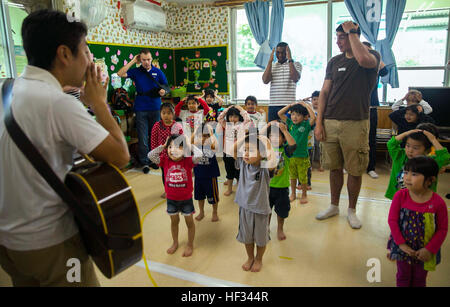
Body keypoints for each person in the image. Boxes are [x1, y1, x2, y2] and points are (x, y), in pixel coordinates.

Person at [0, 9, 130, 287]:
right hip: (52, 245)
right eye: (85, 50)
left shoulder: (10, 89)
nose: (90, 60)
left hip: (10, 245)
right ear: (64, 54)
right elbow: (121, 156)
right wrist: (99, 104)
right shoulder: (58, 103)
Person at [314, 21, 381, 229]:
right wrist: (319, 122)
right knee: (334, 167)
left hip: (356, 122)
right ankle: (334, 205)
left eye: (341, 37)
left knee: (354, 169)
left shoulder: (372, 56)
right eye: (337, 37)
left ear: (354, 35)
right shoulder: (334, 61)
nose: (338, 41)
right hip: (330, 120)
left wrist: (352, 32)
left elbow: (362, 58)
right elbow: (324, 92)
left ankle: (351, 210)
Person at [387, 156, 448, 287]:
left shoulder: (438, 202)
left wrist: (429, 249)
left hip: (424, 250)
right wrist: (401, 244)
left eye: (414, 174)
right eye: (406, 172)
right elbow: (392, 220)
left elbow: (442, 229)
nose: (407, 177)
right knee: (403, 276)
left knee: (420, 279)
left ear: (430, 180)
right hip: (403, 248)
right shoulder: (400, 196)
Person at [148, 134, 202, 257]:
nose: (174, 150)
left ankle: (190, 244)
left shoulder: (187, 161)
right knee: (174, 222)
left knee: (189, 223)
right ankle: (175, 242)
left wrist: (189, 145)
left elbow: (199, 155)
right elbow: (150, 155)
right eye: (171, 147)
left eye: (178, 147)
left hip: (186, 199)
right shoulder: (165, 161)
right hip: (171, 200)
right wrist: (163, 146)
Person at [117, 48, 168, 174]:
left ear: (151, 59)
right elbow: (120, 74)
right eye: (144, 60)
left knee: (154, 136)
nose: (146, 62)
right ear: (140, 59)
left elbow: (167, 86)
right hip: (141, 108)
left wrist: (164, 91)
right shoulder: (136, 71)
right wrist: (133, 61)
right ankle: (144, 162)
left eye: (149, 59)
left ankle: (153, 160)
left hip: (156, 108)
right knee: (143, 137)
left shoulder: (158, 71)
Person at [233, 132, 277, 272]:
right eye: (245, 150)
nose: (245, 153)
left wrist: (267, 144)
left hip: (260, 209)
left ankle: (259, 259)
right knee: (247, 237)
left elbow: (273, 163)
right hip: (245, 208)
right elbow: (233, 149)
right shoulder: (243, 164)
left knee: (261, 238)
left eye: (250, 150)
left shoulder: (264, 167)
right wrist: (247, 137)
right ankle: (250, 257)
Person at [384, 127, 450, 200]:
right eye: (408, 146)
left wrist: (433, 140)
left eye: (415, 148)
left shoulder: (430, 162)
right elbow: (391, 144)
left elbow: (445, 157)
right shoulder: (400, 156)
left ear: (427, 150)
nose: (410, 150)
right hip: (400, 199)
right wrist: (407, 133)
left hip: (422, 201)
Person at [278, 102, 316, 204]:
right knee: (293, 176)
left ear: (304, 117)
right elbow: (280, 114)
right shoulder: (290, 123)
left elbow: (313, 118)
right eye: (293, 114)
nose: (294, 117)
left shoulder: (306, 125)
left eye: (298, 115)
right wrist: (290, 105)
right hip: (291, 156)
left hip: (302, 157)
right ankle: (293, 194)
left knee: (303, 177)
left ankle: (304, 194)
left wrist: (306, 106)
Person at [264, 121, 297, 241]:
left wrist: (284, 130)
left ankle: (279, 228)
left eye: (277, 136)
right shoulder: (265, 148)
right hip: (267, 186)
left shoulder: (285, 150)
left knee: (281, 211)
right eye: (271, 136)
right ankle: (266, 227)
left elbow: (293, 145)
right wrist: (268, 126)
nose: (273, 139)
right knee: (266, 210)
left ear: (283, 139)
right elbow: (257, 137)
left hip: (282, 187)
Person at [362, 42, 388, 179]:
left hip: (371, 107)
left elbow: (385, 71)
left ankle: (370, 167)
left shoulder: (374, 67)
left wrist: (372, 52)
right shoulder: (357, 65)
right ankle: (349, 165)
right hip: (357, 108)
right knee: (354, 138)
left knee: (371, 139)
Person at [262, 42, 302, 122]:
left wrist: (290, 59)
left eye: (283, 52)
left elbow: (295, 78)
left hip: (289, 105)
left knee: (289, 132)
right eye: (278, 53)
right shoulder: (272, 66)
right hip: (274, 106)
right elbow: (265, 80)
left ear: (287, 52)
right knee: (274, 133)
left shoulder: (296, 64)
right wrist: (270, 61)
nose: (280, 55)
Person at [150, 102, 183, 198]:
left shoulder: (177, 126)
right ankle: (167, 190)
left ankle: (177, 189)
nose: (166, 115)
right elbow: (153, 141)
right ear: (160, 114)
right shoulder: (157, 125)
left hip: (174, 156)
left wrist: (181, 154)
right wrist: (155, 155)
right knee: (165, 174)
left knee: (175, 173)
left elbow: (181, 141)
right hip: (162, 156)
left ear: (173, 114)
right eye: (163, 113)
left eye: (169, 113)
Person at [217, 105, 251, 196]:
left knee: (239, 172)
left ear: (239, 117)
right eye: (230, 116)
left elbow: (247, 118)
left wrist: (240, 109)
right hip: (227, 153)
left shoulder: (241, 125)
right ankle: (230, 188)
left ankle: (240, 187)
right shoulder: (226, 125)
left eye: (235, 116)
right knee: (229, 171)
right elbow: (219, 118)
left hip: (238, 154)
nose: (232, 119)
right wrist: (227, 109)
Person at [191, 123, 220, 222]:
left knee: (213, 197)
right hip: (199, 175)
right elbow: (190, 142)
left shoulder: (212, 145)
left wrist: (211, 134)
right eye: (201, 136)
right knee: (199, 196)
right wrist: (195, 133)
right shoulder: (195, 146)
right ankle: (201, 212)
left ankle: (215, 212)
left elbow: (215, 144)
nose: (203, 138)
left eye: (206, 136)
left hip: (210, 175)